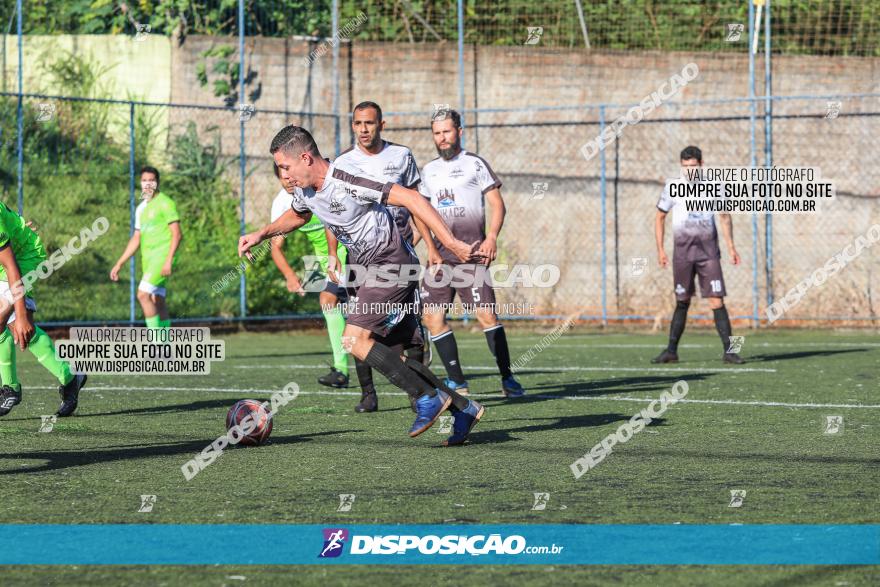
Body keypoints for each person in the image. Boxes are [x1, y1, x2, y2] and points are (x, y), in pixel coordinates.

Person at [239, 125, 485, 446]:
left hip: (391, 262)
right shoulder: (304, 189)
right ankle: (464, 409)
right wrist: (262, 234)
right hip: (371, 270)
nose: (283, 175)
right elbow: (298, 215)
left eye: (285, 167)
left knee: (352, 340)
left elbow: (410, 197)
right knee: (394, 356)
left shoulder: (347, 179)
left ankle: (427, 398)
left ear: (305, 158)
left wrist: (450, 242)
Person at [417, 109, 526, 398]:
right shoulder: (427, 171)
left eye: (447, 131)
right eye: (437, 133)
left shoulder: (475, 164)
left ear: (459, 132)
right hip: (439, 259)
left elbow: (497, 204)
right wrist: (428, 246)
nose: (442, 138)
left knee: (487, 317)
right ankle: (457, 381)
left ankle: (507, 378)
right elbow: (420, 213)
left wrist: (491, 237)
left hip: (472, 256)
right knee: (432, 318)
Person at [331, 100, 431, 413]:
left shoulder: (402, 155)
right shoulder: (343, 163)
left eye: (369, 123)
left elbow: (417, 203)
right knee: (357, 327)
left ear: (381, 125)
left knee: (412, 330)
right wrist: (334, 253)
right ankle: (367, 394)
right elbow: (335, 213)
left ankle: (418, 395)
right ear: (352, 125)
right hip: (360, 258)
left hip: (398, 255)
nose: (363, 129)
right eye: (358, 123)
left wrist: (424, 243)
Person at [652, 145, 745, 364]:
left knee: (716, 300)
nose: (689, 171)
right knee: (682, 300)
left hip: (708, 253)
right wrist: (660, 249)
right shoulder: (673, 186)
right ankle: (671, 351)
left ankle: (730, 351)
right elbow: (659, 217)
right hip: (683, 254)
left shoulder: (714, 186)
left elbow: (724, 216)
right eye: (685, 167)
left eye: (693, 166)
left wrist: (731, 246)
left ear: (702, 165)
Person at [0, 202, 87, 417]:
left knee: (9, 318)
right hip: (8, 254)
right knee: (9, 324)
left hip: (23, 257)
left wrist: (21, 315)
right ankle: (70, 376)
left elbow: (12, 267)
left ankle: (11, 388)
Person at [269, 163, 351, 388]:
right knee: (328, 303)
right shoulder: (282, 203)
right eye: (281, 176)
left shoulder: (317, 188)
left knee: (360, 311)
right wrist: (289, 276)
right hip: (325, 261)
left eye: (289, 173)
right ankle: (341, 370)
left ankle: (411, 342)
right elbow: (276, 246)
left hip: (351, 250)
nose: (286, 179)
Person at [110, 166, 182, 334]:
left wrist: (168, 260)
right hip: (148, 260)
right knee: (158, 300)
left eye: (151, 180)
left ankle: (157, 345)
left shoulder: (165, 203)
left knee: (142, 295)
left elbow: (177, 234)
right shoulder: (141, 208)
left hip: (162, 257)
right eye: (144, 181)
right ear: (140, 184)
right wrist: (119, 263)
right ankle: (165, 347)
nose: (148, 184)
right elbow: (137, 238)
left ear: (157, 182)